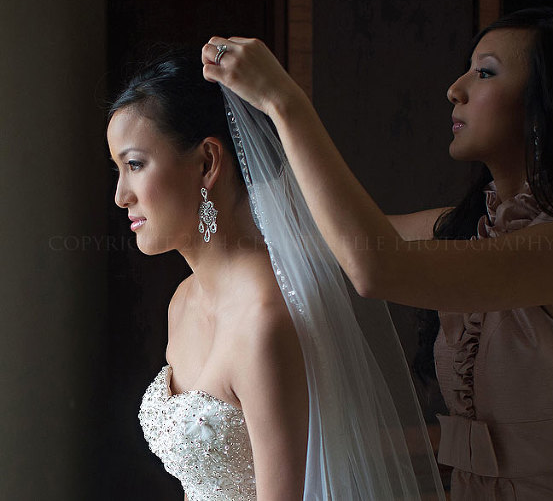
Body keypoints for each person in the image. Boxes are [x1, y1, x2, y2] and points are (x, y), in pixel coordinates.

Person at [202, 7, 553, 500]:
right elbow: (333, 240)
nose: (456, 88)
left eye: (485, 72)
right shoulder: (465, 230)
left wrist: (285, 102)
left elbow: (375, 268)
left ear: (551, 107)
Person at [107, 51, 443, 500]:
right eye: (118, 169)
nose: (120, 196)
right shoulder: (183, 300)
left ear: (207, 162)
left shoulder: (264, 320)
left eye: (134, 165)